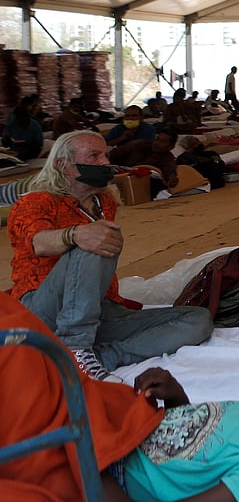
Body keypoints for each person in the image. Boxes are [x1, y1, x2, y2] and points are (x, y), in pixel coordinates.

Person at [7, 131, 212, 382]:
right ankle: (76, 346)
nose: (105, 162)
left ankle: (101, 357)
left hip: (96, 309)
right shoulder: (36, 202)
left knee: (197, 320)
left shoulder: (104, 201)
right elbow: (38, 242)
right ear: (63, 165)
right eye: (94, 156)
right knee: (96, 238)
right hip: (44, 308)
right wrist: (75, 234)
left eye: (104, 154)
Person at [110, 127, 181, 191]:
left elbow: (169, 171)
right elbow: (114, 154)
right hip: (115, 176)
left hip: (137, 187)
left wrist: (172, 179)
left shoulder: (167, 159)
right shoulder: (140, 144)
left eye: (162, 142)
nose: (157, 143)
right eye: (157, 139)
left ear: (171, 147)